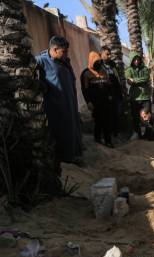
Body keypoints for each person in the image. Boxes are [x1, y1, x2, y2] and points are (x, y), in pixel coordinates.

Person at [35, 36, 82, 165]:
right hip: (56, 106)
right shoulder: (41, 60)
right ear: (55, 50)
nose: (66, 54)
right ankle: (63, 159)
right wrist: (43, 87)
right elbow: (29, 75)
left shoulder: (65, 62)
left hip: (70, 103)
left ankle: (74, 155)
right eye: (64, 51)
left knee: (73, 130)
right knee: (60, 133)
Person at [80, 51, 115, 147]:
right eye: (96, 62)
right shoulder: (86, 73)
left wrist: (110, 95)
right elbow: (84, 90)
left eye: (99, 62)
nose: (98, 64)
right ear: (91, 61)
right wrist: (88, 102)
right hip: (95, 103)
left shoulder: (103, 71)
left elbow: (109, 85)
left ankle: (108, 140)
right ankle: (98, 139)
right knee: (99, 121)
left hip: (106, 101)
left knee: (107, 121)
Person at [125, 52, 151, 139]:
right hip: (135, 98)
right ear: (132, 60)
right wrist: (139, 81)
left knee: (147, 116)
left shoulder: (145, 69)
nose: (136, 61)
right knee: (135, 117)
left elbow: (146, 78)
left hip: (145, 97)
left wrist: (135, 81)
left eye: (138, 59)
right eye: (134, 60)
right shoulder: (129, 69)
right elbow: (129, 80)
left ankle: (149, 134)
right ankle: (137, 133)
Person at [100, 46, 124, 139]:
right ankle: (108, 134)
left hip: (116, 95)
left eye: (110, 54)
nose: (109, 56)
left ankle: (116, 133)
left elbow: (117, 80)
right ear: (101, 54)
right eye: (107, 54)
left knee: (116, 114)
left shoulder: (113, 65)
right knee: (108, 116)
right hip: (106, 96)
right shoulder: (99, 66)